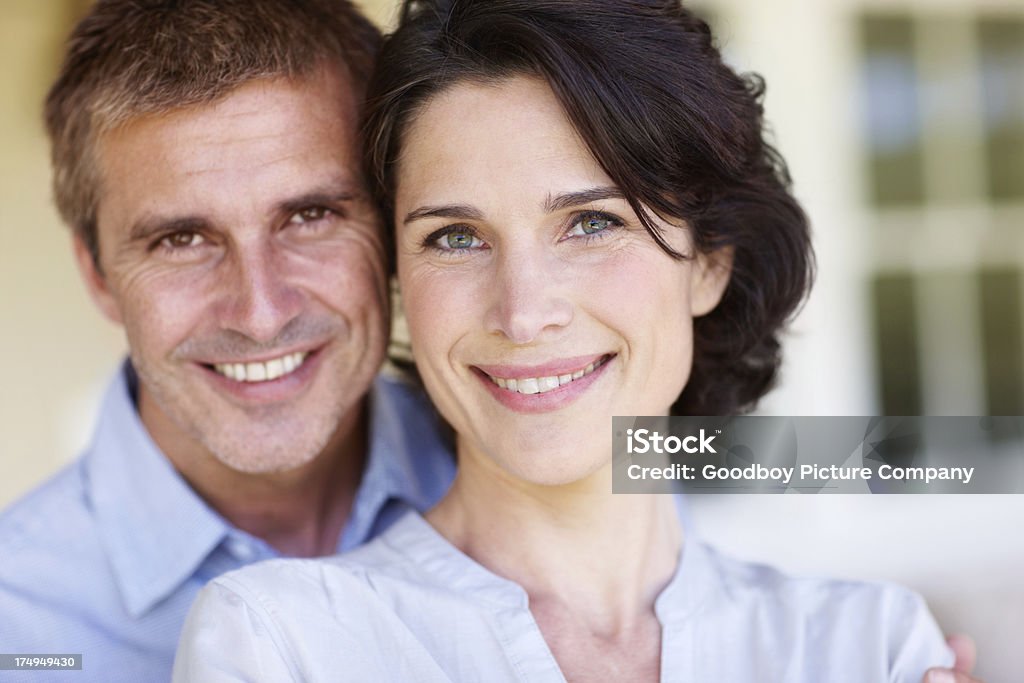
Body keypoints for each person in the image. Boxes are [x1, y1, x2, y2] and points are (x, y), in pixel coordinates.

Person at [173, 2, 982, 682]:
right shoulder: (285, 643)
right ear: (398, 281)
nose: (522, 314)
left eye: (592, 223)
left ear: (708, 263)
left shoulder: (862, 646)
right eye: (455, 237)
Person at [0, 1, 454, 680]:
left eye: (310, 215)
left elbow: (665, 460)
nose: (261, 314)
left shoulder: (518, 448)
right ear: (96, 272)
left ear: (390, 228)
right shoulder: (18, 627)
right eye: (181, 239)